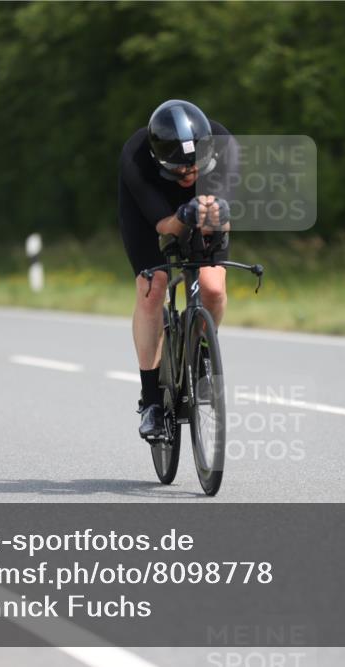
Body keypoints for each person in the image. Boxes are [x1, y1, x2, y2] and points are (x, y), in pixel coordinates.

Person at [118, 99, 232, 440]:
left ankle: (202, 356)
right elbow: (164, 226)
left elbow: (221, 221)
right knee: (153, 290)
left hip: (208, 206)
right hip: (151, 216)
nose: (189, 176)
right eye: (181, 172)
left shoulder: (224, 144)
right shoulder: (137, 155)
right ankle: (151, 400)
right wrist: (181, 218)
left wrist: (212, 216)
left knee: (212, 287)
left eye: (196, 168)